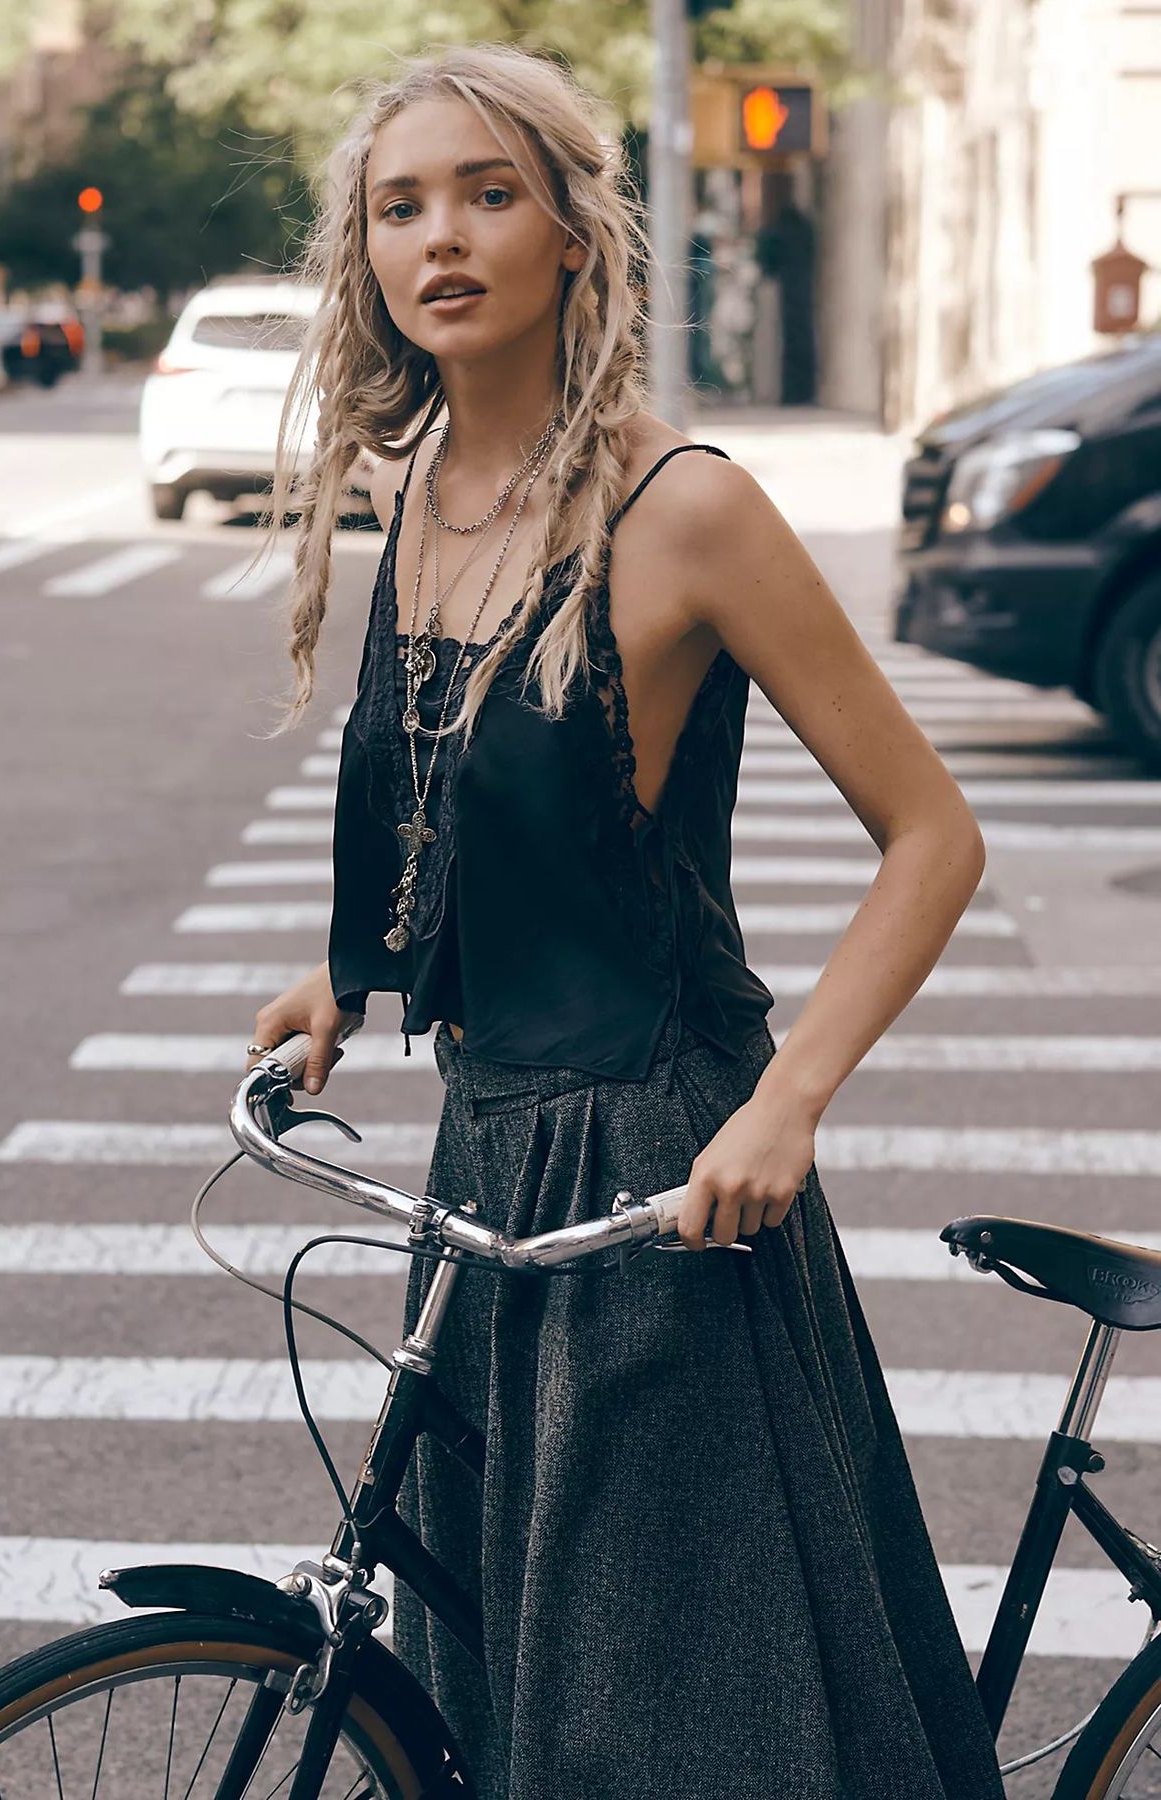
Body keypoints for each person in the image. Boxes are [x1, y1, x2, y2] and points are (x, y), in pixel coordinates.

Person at [243, 42, 1007, 1800]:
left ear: (577, 235)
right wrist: (353, 974)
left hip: (662, 1168)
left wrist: (787, 1102)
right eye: (400, 205)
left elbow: (933, 834)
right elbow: (451, 792)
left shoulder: (688, 513)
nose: (442, 237)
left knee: (666, 1718)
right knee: (507, 1693)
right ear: (364, 257)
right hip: (484, 1159)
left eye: (490, 193)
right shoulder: (423, 496)